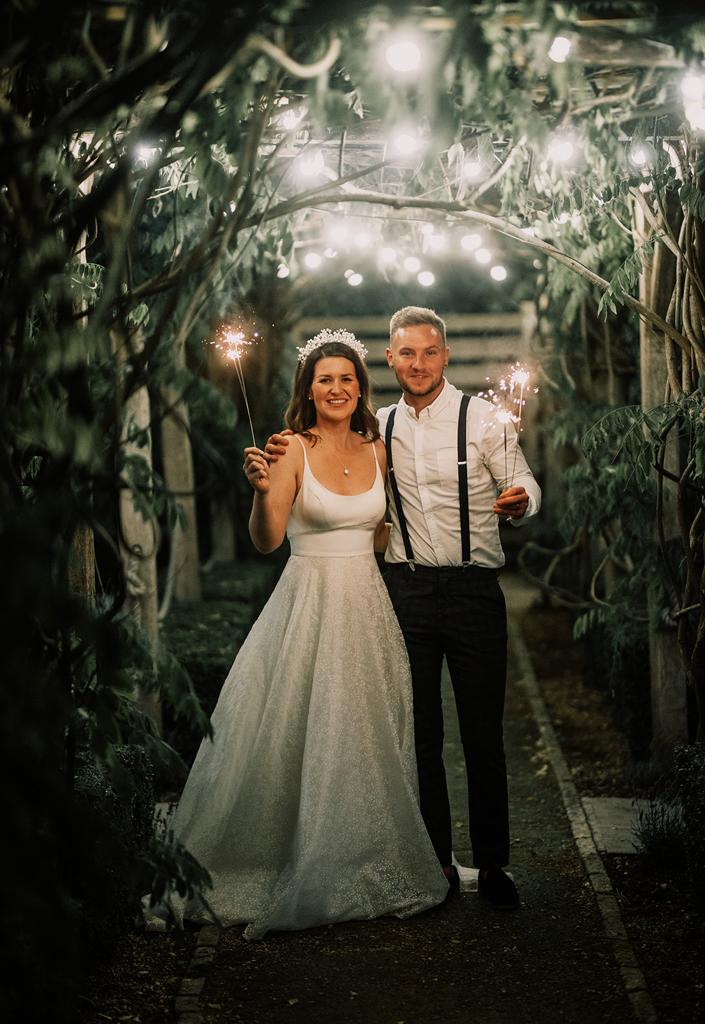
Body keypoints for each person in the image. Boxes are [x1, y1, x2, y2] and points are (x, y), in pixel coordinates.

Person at [166, 328, 449, 940]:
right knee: (294, 726)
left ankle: (356, 855)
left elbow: (382, 533)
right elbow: (266, 540)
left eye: (347, 378)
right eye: (325, 378)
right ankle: (281, 856)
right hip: (307, 598)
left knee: (361, 731)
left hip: (367, 603)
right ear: (309, 389)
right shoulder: (289, 446)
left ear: (360, 387)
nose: (338, 387)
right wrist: (262, 491)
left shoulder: (379, 448)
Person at [267, 307, 541, 910]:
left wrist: (520, 501)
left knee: (482, 734)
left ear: (444, 356)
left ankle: (493, 864)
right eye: (406, 354)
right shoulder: (376, 430)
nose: (419, 364)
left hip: (474, 592)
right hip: (405, 591)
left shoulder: (486, 419)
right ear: (389, 360)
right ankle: (434, 863)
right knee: (417, 733)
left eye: (430, 352)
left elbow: (524, 481)